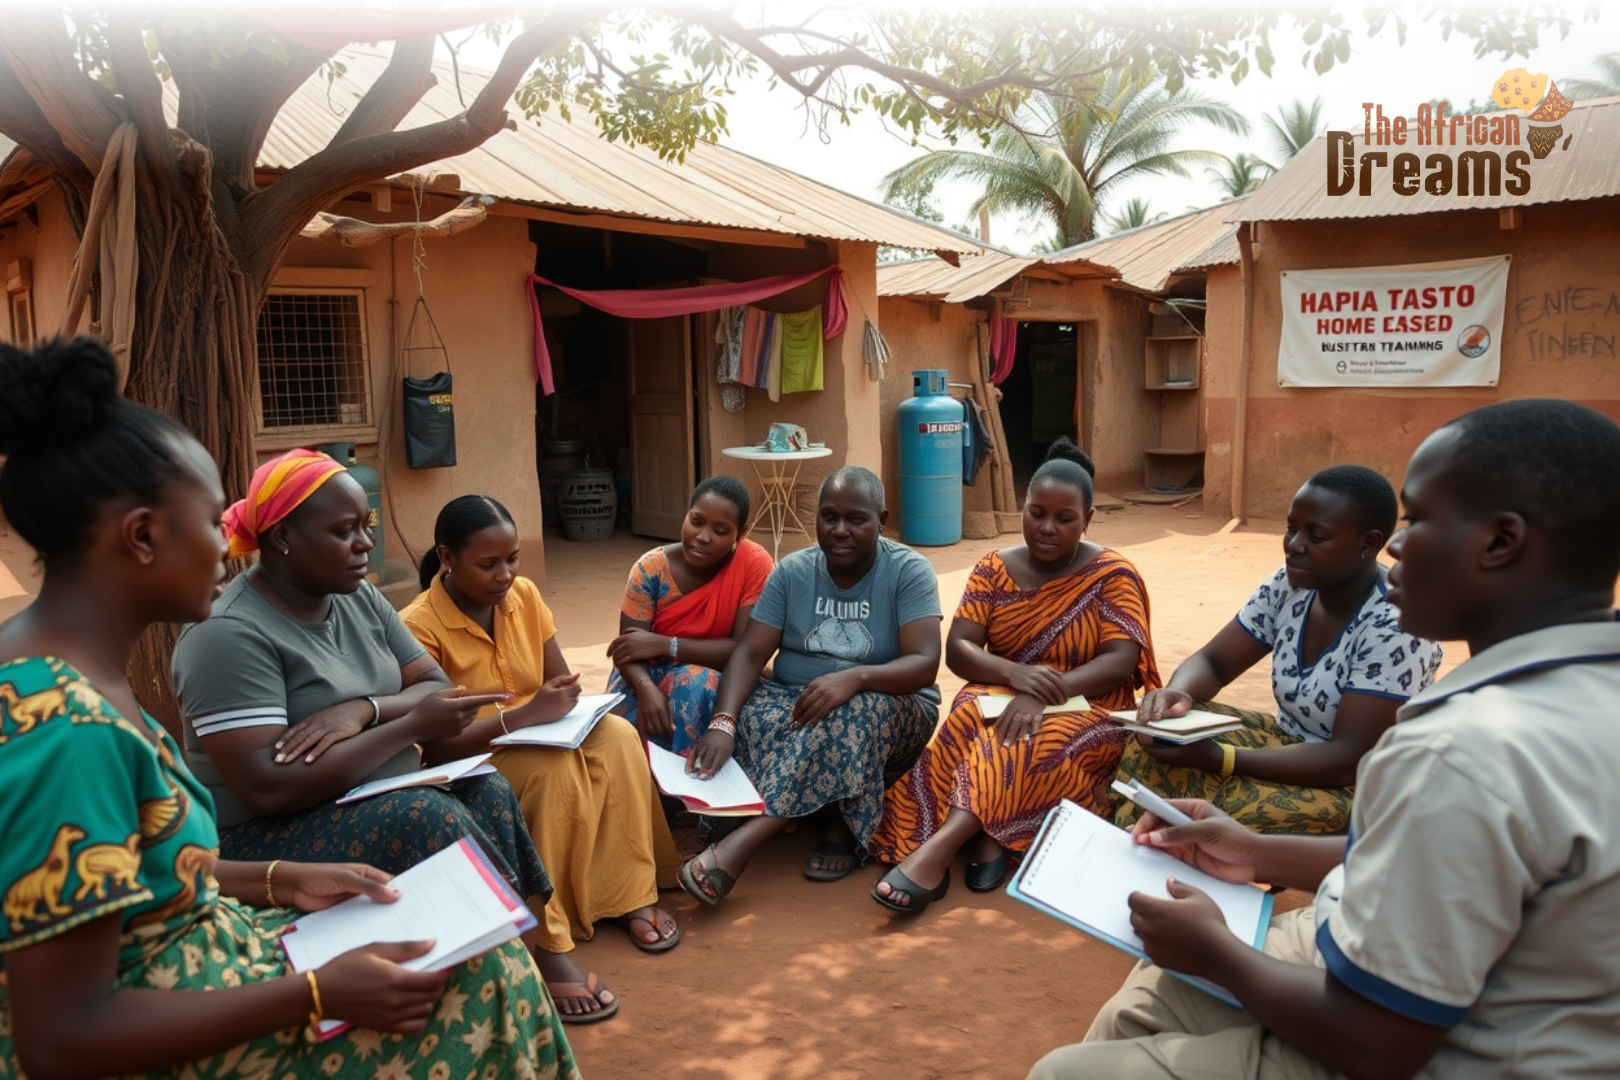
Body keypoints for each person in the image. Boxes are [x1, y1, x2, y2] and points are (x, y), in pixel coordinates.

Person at [0, 338, 576, 1080]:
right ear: (142, 536)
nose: (227, 543)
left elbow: (147, 867)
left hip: (213, 937)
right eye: (213, 523)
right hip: (178, 1001)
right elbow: (61, 1039)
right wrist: (313, 993)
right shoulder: (65, 732)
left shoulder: (62, 675)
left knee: (484, 948)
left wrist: (282, 879)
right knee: (483, 984)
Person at [1026, 399, 1620, 1080]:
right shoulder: (1565, 690)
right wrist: (1250, 850)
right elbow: (1418, 854)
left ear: (1500, 542)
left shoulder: (1458, 750)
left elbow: (1378, 1042)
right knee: (1142, 1004)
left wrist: (1221, 954)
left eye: (1419, 520)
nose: (1400, 545)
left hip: (1426, 1040)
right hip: (1358, 930)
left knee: (1063, 1072)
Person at [169, 452, 567, 1007]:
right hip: (261, 833)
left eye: (365, 527)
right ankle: (498, 975)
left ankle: (521, 952)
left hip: (365, 792)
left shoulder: (355, 594)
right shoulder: (228, 635)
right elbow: (266, 787)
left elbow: (434, 687)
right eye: (343, 531)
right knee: (427, 815)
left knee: (488, 789)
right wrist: (405, 727)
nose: (363, 544)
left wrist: (366, 710)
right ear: (282, 537)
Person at [402, 494, 684, 1023]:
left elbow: (559, 685)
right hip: (474, 757)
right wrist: (526, 715)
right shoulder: (418, 625)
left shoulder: (525, 596)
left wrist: (562, 704)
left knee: (621, 737)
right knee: (558, 774)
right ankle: (547, 929)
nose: (505, 574)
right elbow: (437, 744)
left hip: (541, 730)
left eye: (512, 559)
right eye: (488, 564)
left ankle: (630, 895)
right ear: (446, 556)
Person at [868, 439, 1160, 914]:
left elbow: (1120, 661)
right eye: (1036, 513)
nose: (1046, 528)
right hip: (1004, 686)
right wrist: (1016, 675)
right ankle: (990, 833)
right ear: (1022, 509)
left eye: (1064, 519)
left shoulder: (1111, 575)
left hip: (1092, 703)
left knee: (1029, 735)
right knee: (967, 714)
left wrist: (1048, 692)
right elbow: (960, 649)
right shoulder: (993, 569)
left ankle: (939, 850)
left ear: (1087, 520)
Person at [1114, 465, 1442, 835]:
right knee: (1155, 735)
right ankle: (1130, 850)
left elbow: (1347, 759)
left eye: (1316, 536)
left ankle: (1153, 860)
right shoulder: (1291, 585)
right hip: (1288, 740)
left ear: (1368, 543)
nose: (1293, 545)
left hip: (1361, 784)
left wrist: (1222, 759)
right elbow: (1215, 662)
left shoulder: (1396, 624)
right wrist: (1179, 693)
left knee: (1207, 808)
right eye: (1291, 528)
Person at [677, 466, 942, 903]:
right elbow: (748, 654)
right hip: (794, 697)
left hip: (892, 701)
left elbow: (925, 663)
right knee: (749, 715)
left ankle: (742, 846)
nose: (839, 530)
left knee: (850, 716)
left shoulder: (908, 571)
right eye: (828, 517)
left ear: (883, 519)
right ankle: (828, 810)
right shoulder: (794, 571)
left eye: (855, 519)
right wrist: (724, 722)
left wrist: (854, 678)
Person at [606, 476, 774, 753]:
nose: (703, 537)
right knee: (622, 731)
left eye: (720, 531)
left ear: (740, 534)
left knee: (698, 685)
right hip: (645, 674)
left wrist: (665, 644)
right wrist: (646, 687)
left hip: (725, 675)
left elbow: (742, 650)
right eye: (696, 521)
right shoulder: (650, 569)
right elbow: (628, 650)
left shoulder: (753, 564)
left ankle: (690, 788)